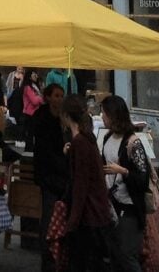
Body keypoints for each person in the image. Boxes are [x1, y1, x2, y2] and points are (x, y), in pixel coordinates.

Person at [60, 95, 112, 272]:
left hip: (89, 216)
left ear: (66, 116)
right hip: (96, 213)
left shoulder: (80, 142)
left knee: (84, 264)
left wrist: (72, 221)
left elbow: (80, 185)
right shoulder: (86, 139)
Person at [100, 95, 150, 272]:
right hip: (111, 204)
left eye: (104, 113)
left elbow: (143, 179)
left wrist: (123, 171)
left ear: (113, 115)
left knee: (127, 254)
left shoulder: (132, 142)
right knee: (114, 253)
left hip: (129, 206)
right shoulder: (107, 138)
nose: (102, 116)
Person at [31, 83, 68, 272]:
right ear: (47, 97)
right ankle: (47, 259)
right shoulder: (42, 118)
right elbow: (43, 150)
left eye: (62, 95)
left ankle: (59, 257)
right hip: (48, 176)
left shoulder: (64, 119)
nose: (59, 99)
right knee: (48, 218)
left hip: (63, 177)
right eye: (56, 95)